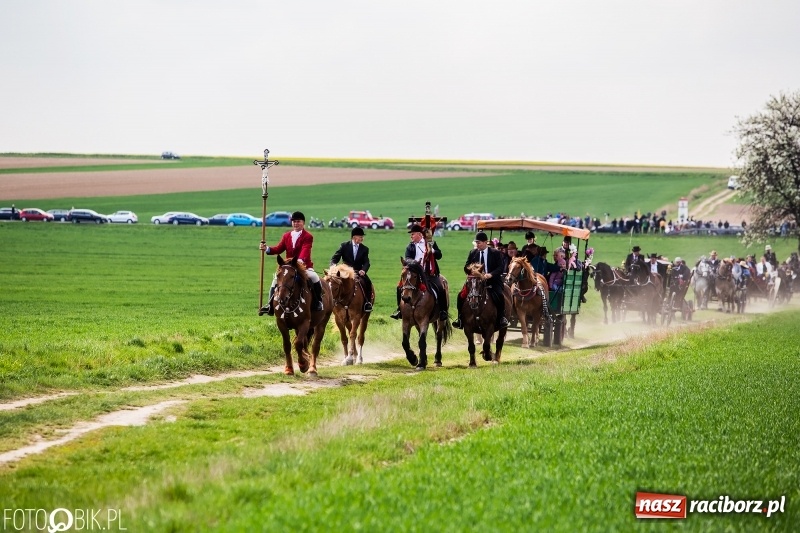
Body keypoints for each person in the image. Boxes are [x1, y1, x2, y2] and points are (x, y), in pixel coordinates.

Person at [259, 211, 323, 315]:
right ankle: (270, 305)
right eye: (294, 221)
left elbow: (305, 250)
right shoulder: (286, 236)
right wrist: (267, 248)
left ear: (303, 223)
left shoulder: (308, 236)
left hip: (304, 266)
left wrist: (299, 260)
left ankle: (318, 302)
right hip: (288, 267)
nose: (296, 223)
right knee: (275, 280)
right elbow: (279, 249)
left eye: (298, 221)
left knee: (314, 277)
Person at [452, 231, 509, 330]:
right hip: (475, 281)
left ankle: (501, 318)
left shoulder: (495, 253)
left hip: (492, 281)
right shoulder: (473, 253)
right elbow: (466, 266)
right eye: (476, 243)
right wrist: (471, 270)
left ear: (485, 242)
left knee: (499, 295)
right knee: (460, 296)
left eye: (479, 243)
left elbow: (500, 267)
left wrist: (490, 274)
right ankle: (460, 319)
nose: (477, 245)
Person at [390, 224, 448, 320]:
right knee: (399, 287)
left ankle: (443, 311)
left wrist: (432, 251)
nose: (411, 236)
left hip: (430, 274)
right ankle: (400, 310)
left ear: (419, 234)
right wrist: (416, 264)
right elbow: (407, 259)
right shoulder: (410, 246)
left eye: (412, 234)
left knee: (440, 288)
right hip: (414, 274)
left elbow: (439, 255)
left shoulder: (431, 243)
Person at [329, 226, 373, 312]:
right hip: (345, 272)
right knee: (333, 282)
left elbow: (367, 262)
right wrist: (333, 266)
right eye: (360, 236)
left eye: (362, 237)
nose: (362, 238)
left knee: (368, 283)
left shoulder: (365, 249)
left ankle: (367, 303)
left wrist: (363, 270)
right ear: (354, 237)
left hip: (358, 272)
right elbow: (335, 258)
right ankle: (331, 301)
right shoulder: (344, 246)